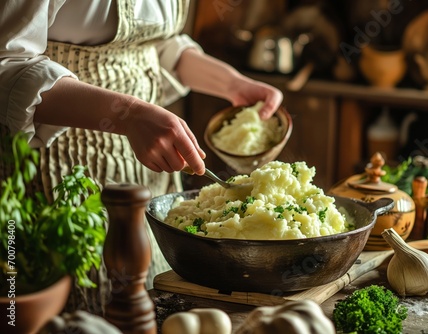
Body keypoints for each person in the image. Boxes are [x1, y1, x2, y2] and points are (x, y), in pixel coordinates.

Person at [0, 0, 283, 314]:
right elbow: (7, 65)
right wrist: (128, 115)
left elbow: (154, 44)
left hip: (148, 176)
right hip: (61, 172)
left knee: (151, 301)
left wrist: (232, 84)